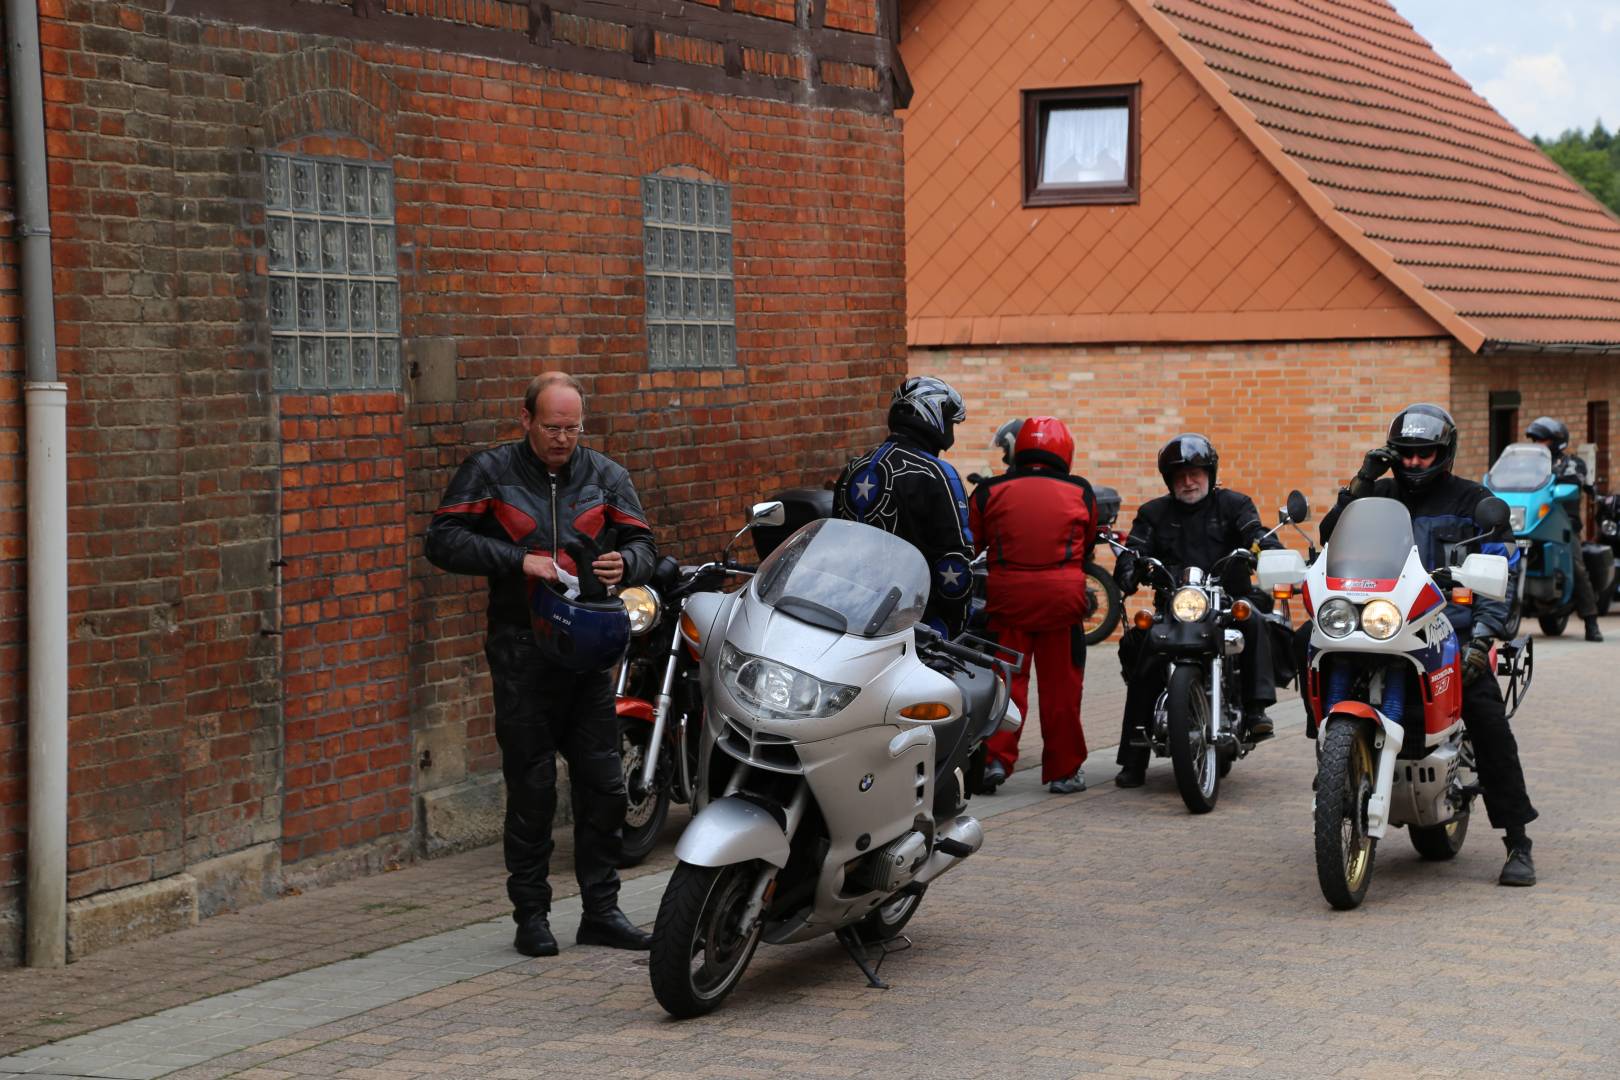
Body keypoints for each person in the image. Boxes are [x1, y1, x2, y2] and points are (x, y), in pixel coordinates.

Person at [425, 371, 660, 956]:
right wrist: (517, 561)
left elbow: (646, 546)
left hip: (588, 653)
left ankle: (601, 912)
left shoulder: (606, 475)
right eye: (553, 427)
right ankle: (531, 916)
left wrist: (623, 567)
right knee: (531, 788)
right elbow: (441, 539)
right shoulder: (491, 471)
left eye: (573, 428)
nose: (563, 438)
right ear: (526, 419)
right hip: (521, 650)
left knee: (604, 786)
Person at [1324, 403, 1538, 886]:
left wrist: (1482, 641)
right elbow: (1328, 540)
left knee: (1486, 719)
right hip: (1380, 622)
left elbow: (1501, 571)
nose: (1415, 463)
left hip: (1451, 629)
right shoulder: (1374, 497)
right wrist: (1361, 479)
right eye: (1406, 454)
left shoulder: (1472, 501)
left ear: (1445, 453)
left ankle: (1517, 841)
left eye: (1425, 454)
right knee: (1307, 646)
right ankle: (1337, 772)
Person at [1113, 434, 1282, 788]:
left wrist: (1268, 549)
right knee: (1144, 642)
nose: (1188, 482)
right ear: (1169, 481)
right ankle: (1133, 756)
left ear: (1209, 473)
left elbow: (1255, 532)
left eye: (1195, 474)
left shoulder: (1235, 505)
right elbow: (1135, 547)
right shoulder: (1153, 513)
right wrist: (1129, 569)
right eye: (1180, 477)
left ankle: (1255, 710)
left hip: (1226, 597)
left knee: (1250, 617)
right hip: (1177, 604)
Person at [969, 417, 1098, 794]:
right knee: (1062, 690)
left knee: (1007, 684)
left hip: (1008, 600)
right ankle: (1064, 770)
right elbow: (1086, 545)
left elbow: (973, 544)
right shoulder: (1081, 491)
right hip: (1062, 601)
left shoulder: (989, 491)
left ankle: (994, 760)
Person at [834, 375, 975, 638]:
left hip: (849, 612)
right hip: (911, 621)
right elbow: (954, 561)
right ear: (932, 414)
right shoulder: (938, 474)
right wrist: (953, 625)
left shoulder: (854, 468)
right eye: (949, 421)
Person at [1525, 416, 1602, 642]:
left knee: (1577, 567)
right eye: (1535, 440)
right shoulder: (1527, 464)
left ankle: (1591, 622)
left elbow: (1578, 482)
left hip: (1563, 526)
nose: (1538, 444)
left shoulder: (1573, 463)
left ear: (1557, 441)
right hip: (1532, 523)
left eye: (1543, 440)